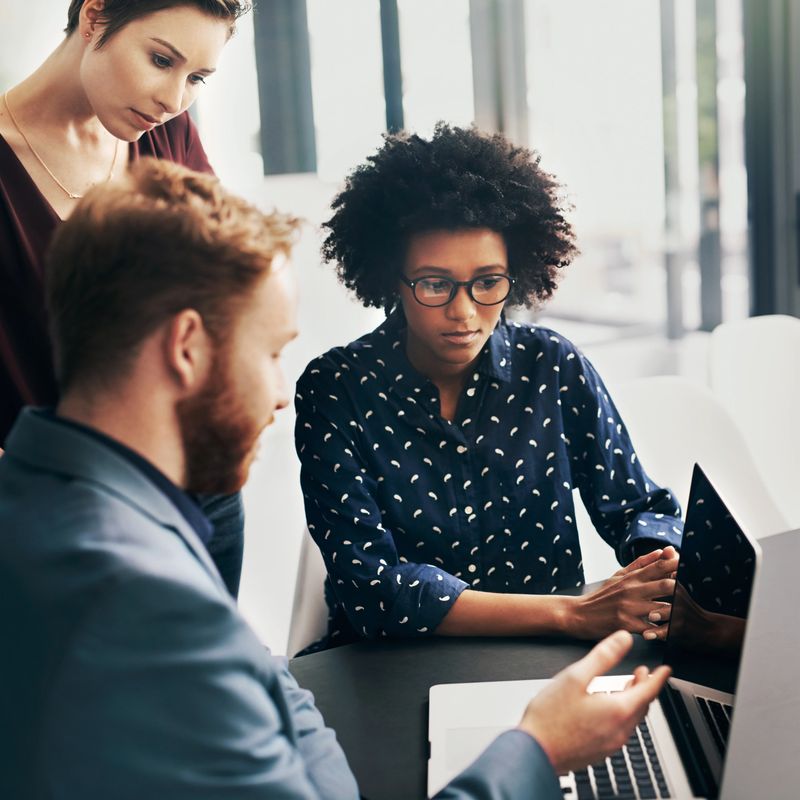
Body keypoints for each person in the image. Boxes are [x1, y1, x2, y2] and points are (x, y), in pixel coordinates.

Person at [0, 159, 671, 799]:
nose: (280, 394)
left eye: (486, 282)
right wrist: (538, 750)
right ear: (186, 348)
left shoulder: (77, 509)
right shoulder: (148, 601)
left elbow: (267, 686)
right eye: (270, 353)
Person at [294, 124, 682, 651]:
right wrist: (574, 613)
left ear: (515, 274)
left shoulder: (552, 365)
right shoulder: (336, 389)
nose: (464, 312)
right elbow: (373, 590)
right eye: (434, 284)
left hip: (544, 665)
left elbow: (638, 508)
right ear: (392, 279)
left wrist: (659, 565)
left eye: (487, 282)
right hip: (391, 666)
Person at [0, 0, 249, 595]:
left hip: (195, 489)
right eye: (161, 59)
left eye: (196, 78)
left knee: (207, 683)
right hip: (59, 519)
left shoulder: (168, 137)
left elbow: (227, 286)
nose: (173, 98)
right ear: (94, 16)